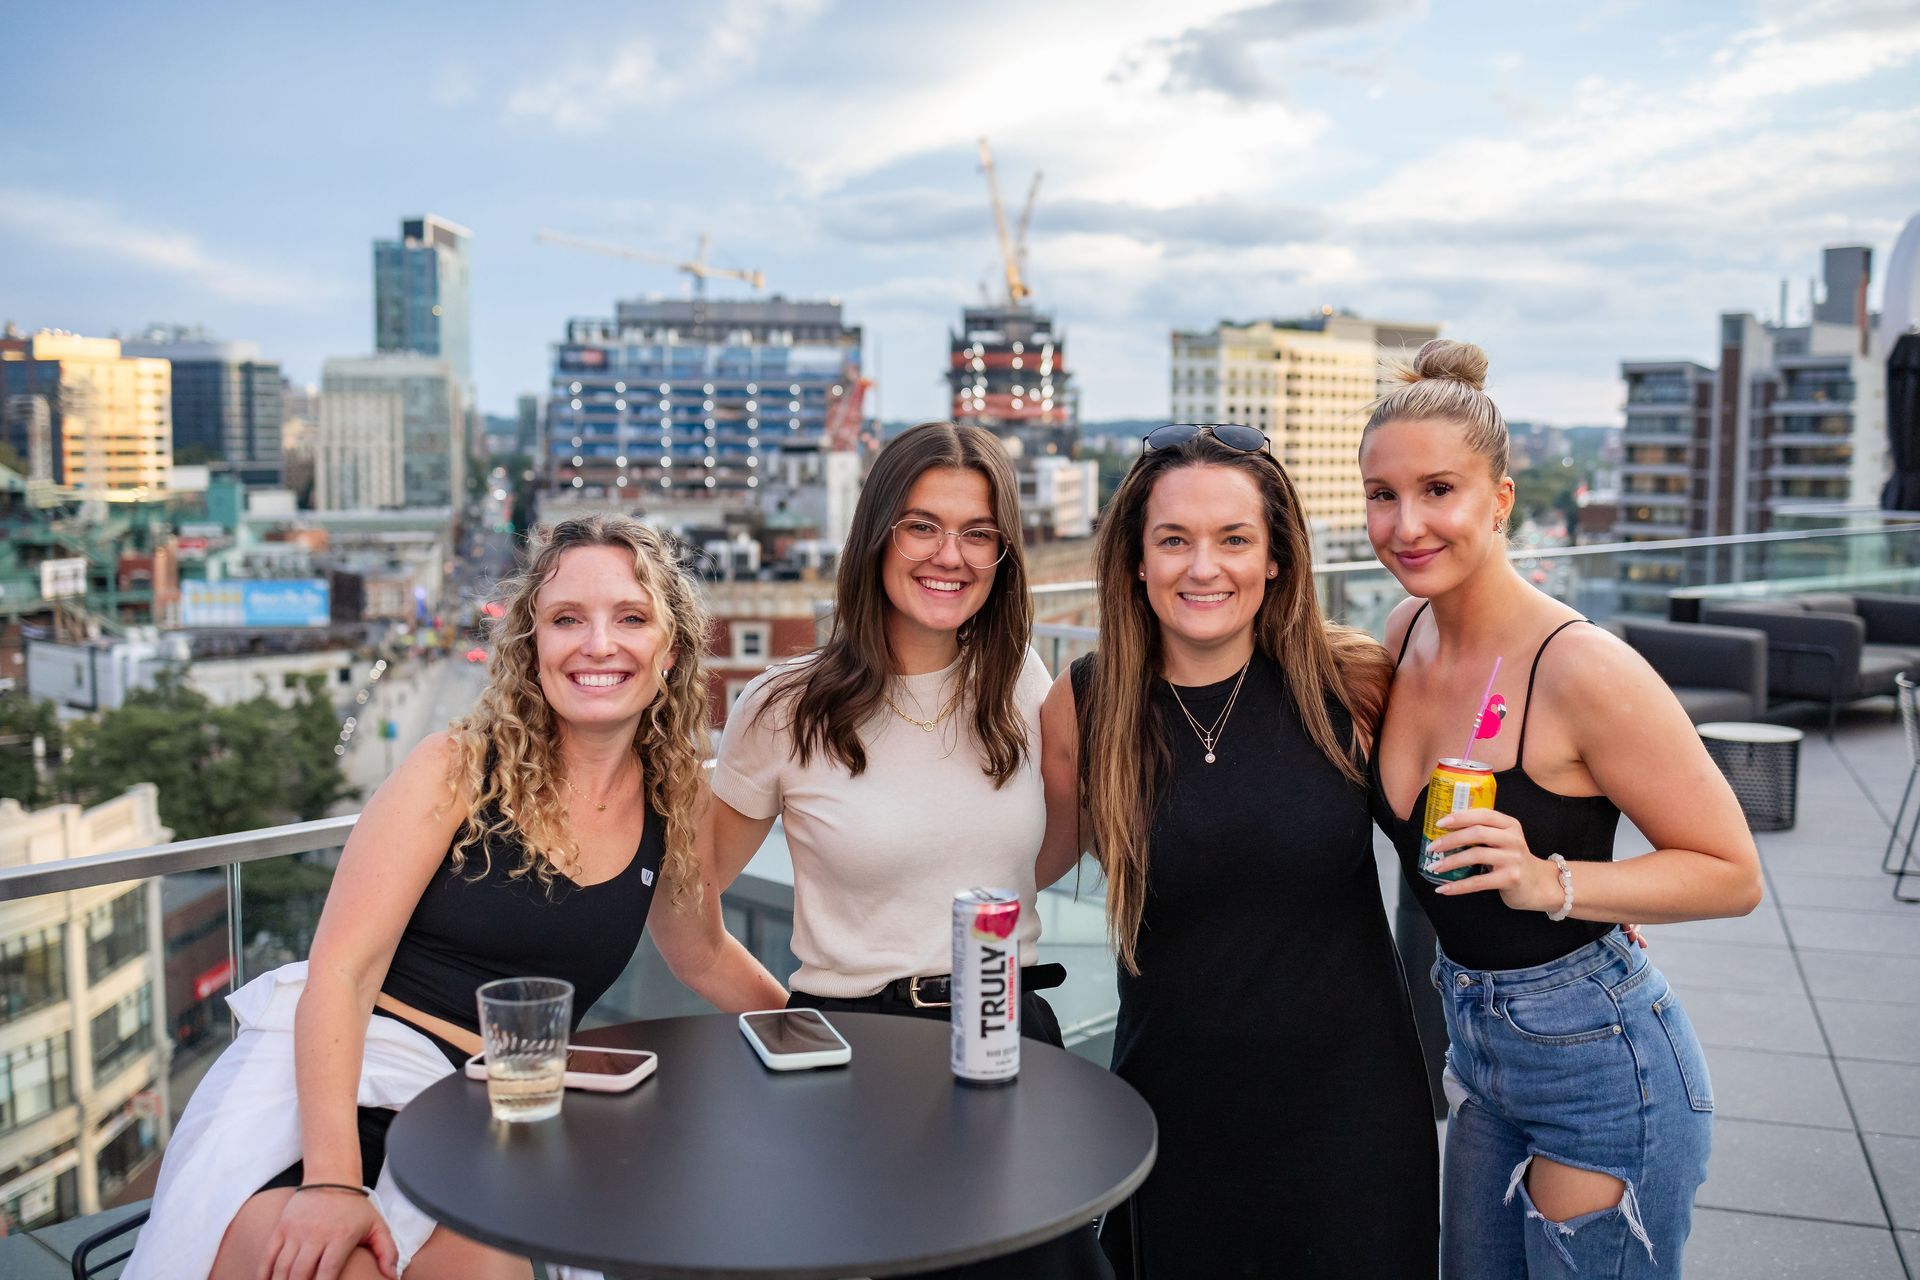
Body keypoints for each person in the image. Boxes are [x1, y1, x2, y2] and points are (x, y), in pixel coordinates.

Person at [128, 515, 786, 1280]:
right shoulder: (457, 767)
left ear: (668, 653)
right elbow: (339, 973)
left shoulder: (671, 806)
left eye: (631, 619)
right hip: (336, 1085)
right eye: (566, 619)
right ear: (532, 646)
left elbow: (702, 953)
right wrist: (334, 1182)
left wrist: (817, 1028)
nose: (599, 644)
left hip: (486, 1112)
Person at [1360, 339, 1763, 1278]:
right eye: (1383, 494)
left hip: (1601, 1062)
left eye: (1439, 490)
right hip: (1476, 1046)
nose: (1406, 523)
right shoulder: (1404, 629)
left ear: (1501, 498)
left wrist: (1557, 881)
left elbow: (1731, 871)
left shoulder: (1582, 668)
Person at [705, 421, 1109, 1280]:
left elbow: (1047, 844)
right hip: (855, 1052)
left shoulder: (1026, 685)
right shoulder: (784, 706)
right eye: (922, 525)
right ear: (876, 534)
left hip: (1010, 1034)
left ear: (1003, 554)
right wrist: (793, 1014)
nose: (949, 555)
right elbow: (683, 908)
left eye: (978, 533)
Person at [1038, 424, 1439, 1277]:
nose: (1203, 567)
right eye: (1173, 540)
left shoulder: (1355, 684)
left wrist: (1572, 907)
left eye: (1234, 540)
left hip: (1351, 1120)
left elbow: (1451, 839)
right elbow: (1012, 867)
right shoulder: (1087, 706)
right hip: (1173, 1119)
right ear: (1137, 562)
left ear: (1277, 560)